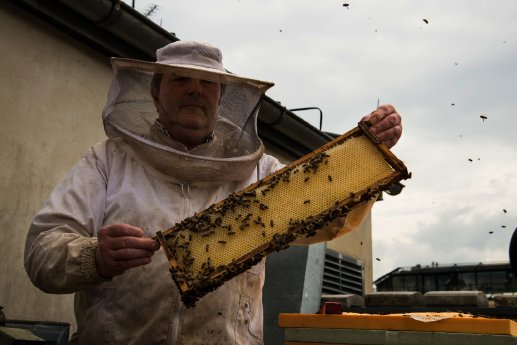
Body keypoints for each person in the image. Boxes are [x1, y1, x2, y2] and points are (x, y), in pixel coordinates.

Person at [24, 40, 402, 345]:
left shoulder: (258, 172)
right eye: (180, 80)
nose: (195, 90)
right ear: (156, 92)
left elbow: (328, 216)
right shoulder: (107, 162)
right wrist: (94, 257)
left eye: (207, 83)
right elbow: (43, 251)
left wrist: (365, 152)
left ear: (221, 97)